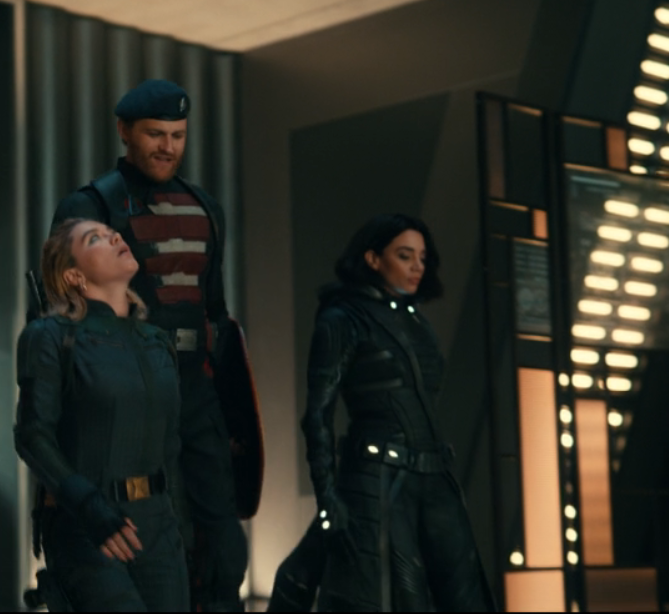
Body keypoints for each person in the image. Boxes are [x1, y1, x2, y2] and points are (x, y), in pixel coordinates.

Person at [53, 79, 249, 612]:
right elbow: (61, 312)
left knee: (223, 547)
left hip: (197, 393)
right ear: (124, 131)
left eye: (178, 135)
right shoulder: (91, 205)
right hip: (129, 395)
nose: (167, 146)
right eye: (155, 134)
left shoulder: (206, 208)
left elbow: (215, 313)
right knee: (153, 541)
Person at [297, 213, 494, 611]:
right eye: (405, 256)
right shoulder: (342, 319)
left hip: (433, 478)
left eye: (422, 257)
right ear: (373, 258)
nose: (417, 266)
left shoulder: (414, 320)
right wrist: (327, 497)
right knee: (402, 599)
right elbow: (317, 414)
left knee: (468, 598)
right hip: (380, 482)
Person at [15, 218, 190, 612]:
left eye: (113, 233)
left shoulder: (157, 342)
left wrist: (184, 530)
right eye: (95, 238)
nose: (115, 238)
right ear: (73, 275)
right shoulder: (50, 336)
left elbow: (171, 445)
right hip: (87, 525)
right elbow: (32, 436)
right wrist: (89, 508)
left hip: (159, 527)